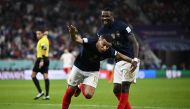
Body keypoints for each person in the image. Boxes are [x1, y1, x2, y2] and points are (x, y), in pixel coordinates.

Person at [62, 25, 139, 109]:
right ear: (99, 40)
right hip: (78, 68)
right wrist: (72, 33)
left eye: (108, 46)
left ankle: (80, 85)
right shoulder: (90, 41)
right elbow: (76, 39)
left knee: (88, 95)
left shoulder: (109, 51)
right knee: (70, 92)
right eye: (104, 44)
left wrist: (132, 61)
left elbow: (121, 56)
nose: (105, 48)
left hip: (92, 71)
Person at [97, 8, 140, 109]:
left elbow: (135, 42)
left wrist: (135, 59)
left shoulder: (122, 26)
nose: (104, 18)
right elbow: (100, 46)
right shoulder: (101, 31)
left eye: (107, 16)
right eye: (103, 16)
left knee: (125, 87)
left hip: (129, 60)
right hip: (118, 61)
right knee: (116, 90)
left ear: (112, 17)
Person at [31, 27, 50, 100]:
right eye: (36, 34)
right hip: (46, 59)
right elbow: (46, 34)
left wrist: (41, 60)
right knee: (46, 77)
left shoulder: (42, 40)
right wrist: (45, 33)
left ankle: (40, 92)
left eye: (39, 34)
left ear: (42, 34)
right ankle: (47, 95)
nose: (37, 35)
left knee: (33, 76)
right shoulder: (45, 38)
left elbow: (44, 48)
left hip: (41, 59)